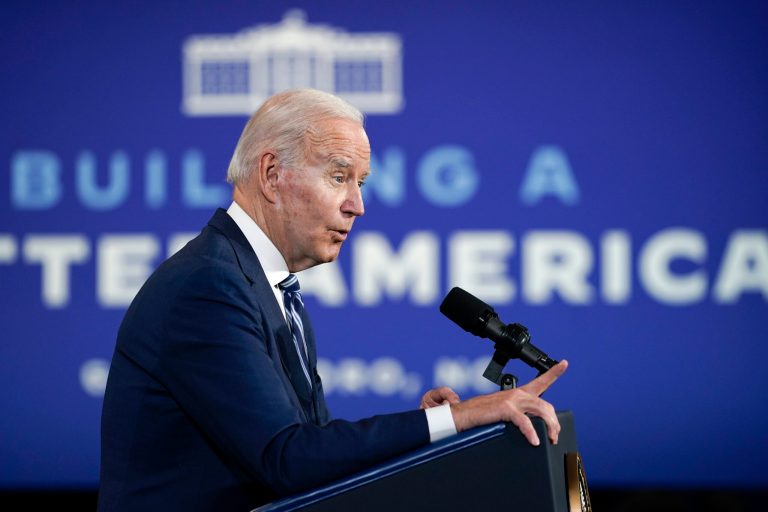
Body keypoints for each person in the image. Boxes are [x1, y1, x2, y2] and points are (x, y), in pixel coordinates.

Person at [98, 89, 568, 511]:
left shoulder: (270, 288)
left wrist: (428, 431)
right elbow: (288, 458)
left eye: (360, 182)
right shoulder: (208, 287)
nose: (356, 205)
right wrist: (458, 418)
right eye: (339, 176)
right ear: (271, 174)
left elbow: (316, 456)